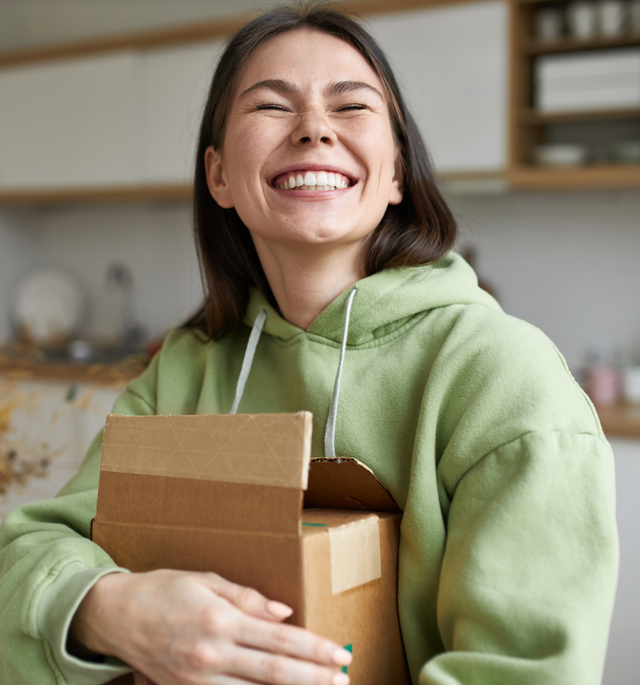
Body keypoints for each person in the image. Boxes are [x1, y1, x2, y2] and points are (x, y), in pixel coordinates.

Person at [0, 5, 618, 685]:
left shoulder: (503, 378)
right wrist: (110, 608)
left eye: (351, 106)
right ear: (219, 176)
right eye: (272, 106)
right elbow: (25, 552)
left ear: (395, 174)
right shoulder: (185, 369)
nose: (315, 129)